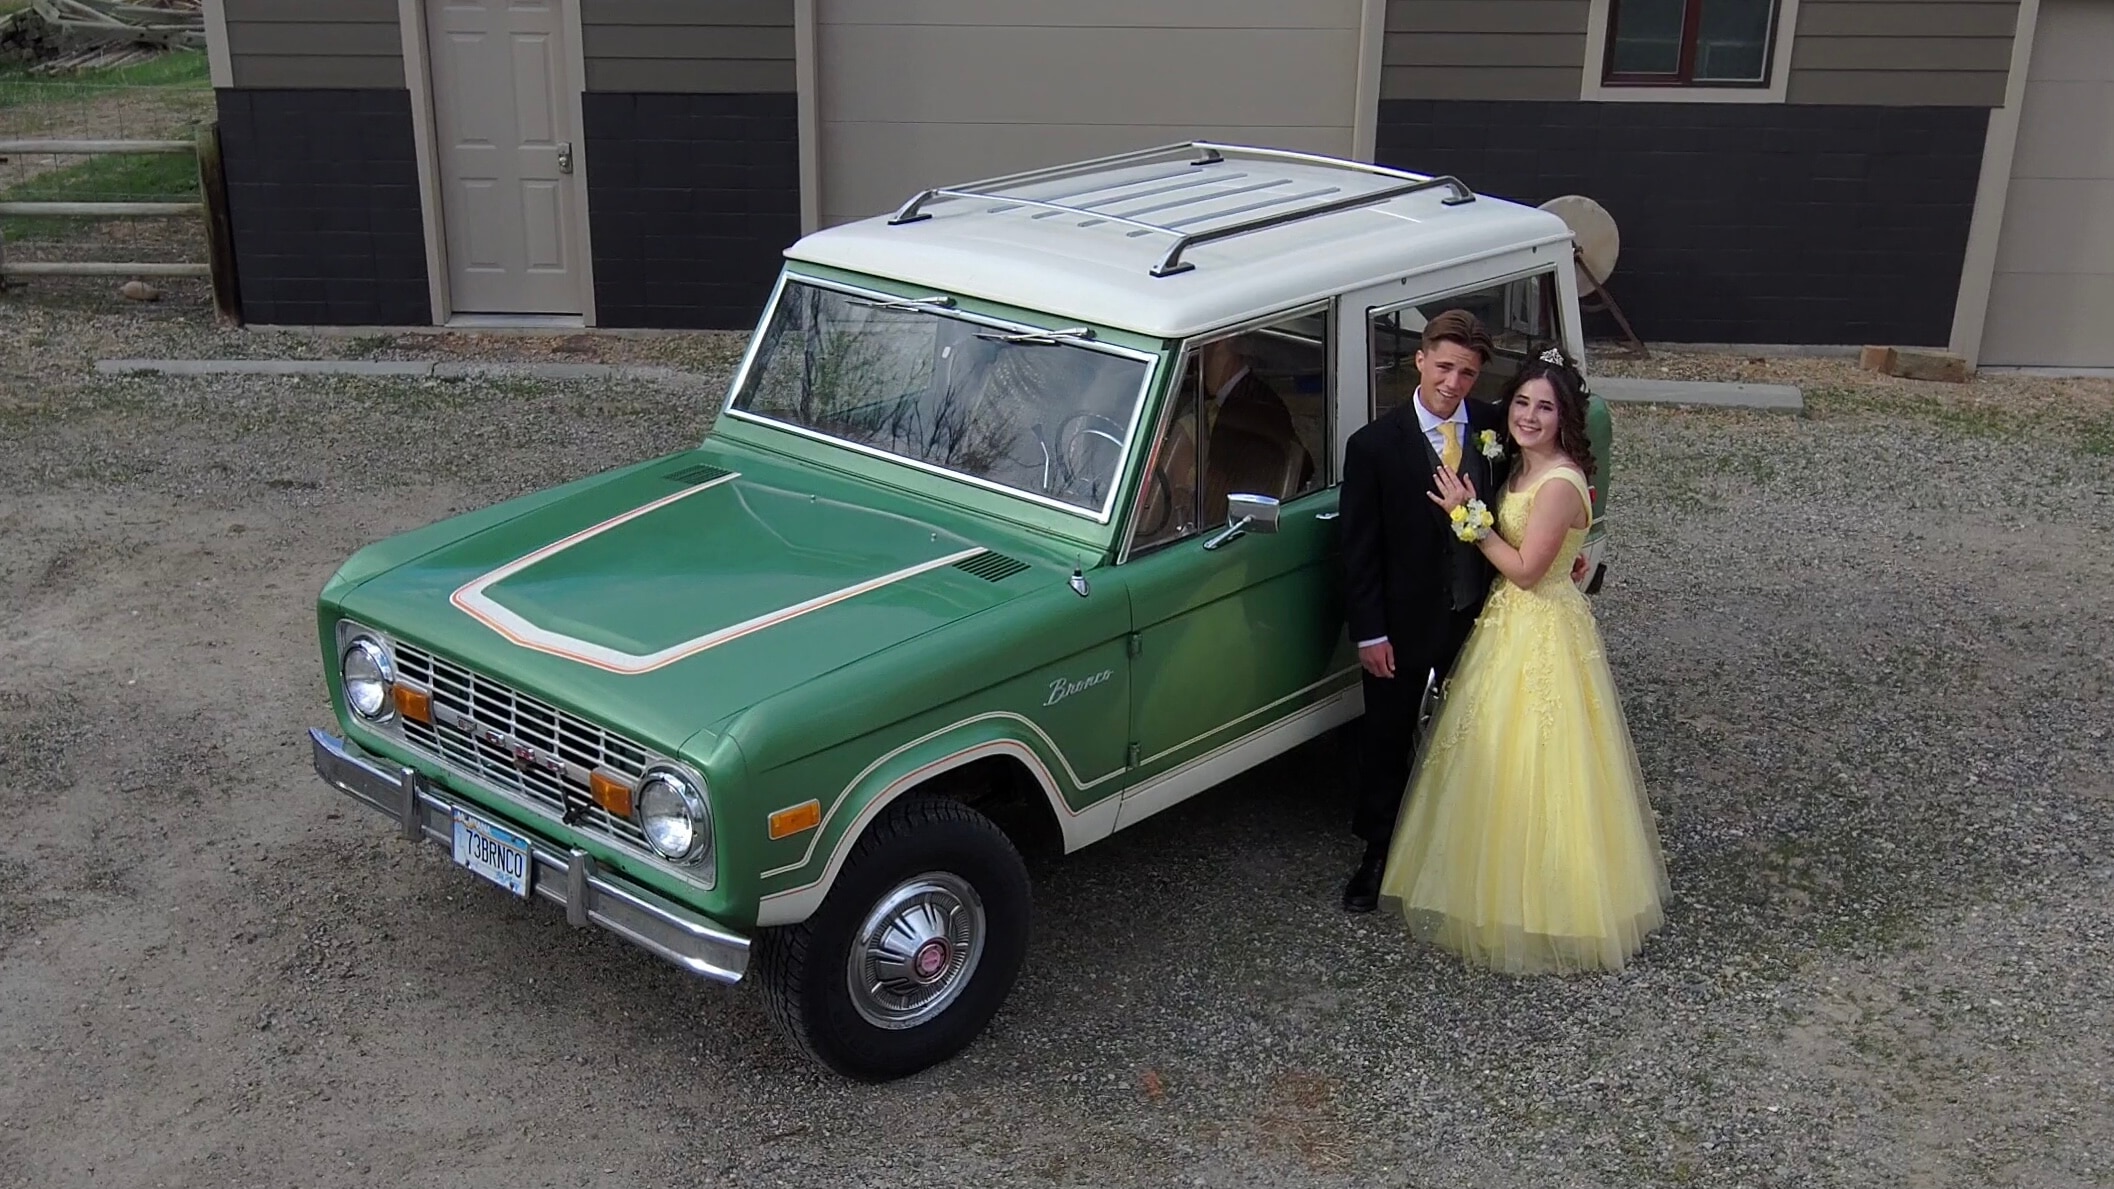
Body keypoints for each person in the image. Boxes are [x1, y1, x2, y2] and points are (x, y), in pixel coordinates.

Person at [1378, 353, 1670, 974]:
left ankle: (1553, 906)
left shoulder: (1558, 482)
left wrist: (1466, 517)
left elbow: (1529, 572)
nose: (1529, 416)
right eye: (1521, 403)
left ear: (1565, 418)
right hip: (1509, 624)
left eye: (1545, 407)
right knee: (1496, 755)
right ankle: (1493, 889)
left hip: (1538, 627)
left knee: (1545, 761)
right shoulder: (1517, 467)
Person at [1337, 309, 1509, 913]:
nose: (1453, 383)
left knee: (1474, 731)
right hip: (1402, 621)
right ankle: (1378, 852)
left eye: (1467, 373)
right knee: (1386, 736)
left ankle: (1464, 849)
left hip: (1480, 614)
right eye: (1444, 367)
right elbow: (1359, 549)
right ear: (1419, 359)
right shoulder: (1374, 447)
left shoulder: (1495, 428)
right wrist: (1370, 633)